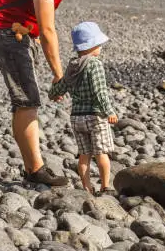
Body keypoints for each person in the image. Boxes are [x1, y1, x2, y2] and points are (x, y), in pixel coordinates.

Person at [0, 0, 102, 186]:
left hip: (18, 34)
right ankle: (35, 171)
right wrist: (60, 75)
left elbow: (40, 26)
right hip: (6, 34)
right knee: (27, 100)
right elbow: (48, 29)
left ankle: (32, 167)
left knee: (26, 100)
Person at [48, 22, 118, 194]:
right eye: (99, 44)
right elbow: (99, 91)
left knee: (84, 155)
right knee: (102, 153)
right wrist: (109, 111)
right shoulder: (95, 64)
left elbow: (58, 88)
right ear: (92, 45)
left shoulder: (72, 66)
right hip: (95, 116)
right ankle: (105, 186)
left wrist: (54, 92)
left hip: (77, 118)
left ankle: (87, 187)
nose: (100, 47)